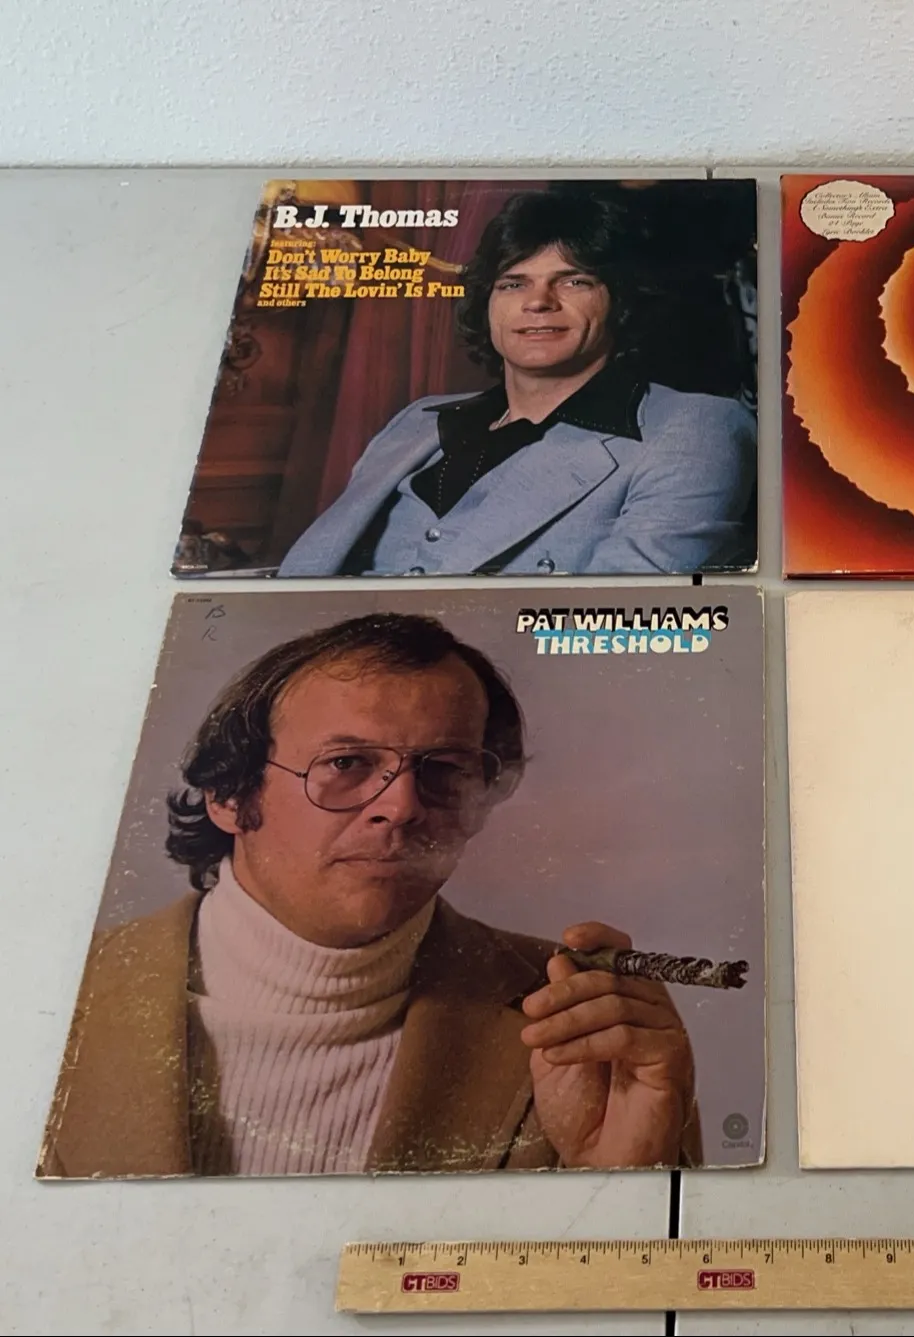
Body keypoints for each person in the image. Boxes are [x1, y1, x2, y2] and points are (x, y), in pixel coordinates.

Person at [38, 614, 699, 1178]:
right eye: (346, 763)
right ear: (229, 795)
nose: (402, 806)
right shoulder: (48, 997)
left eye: (444, 769)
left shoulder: (586, 1023)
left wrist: (618, 1176)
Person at [277, 190, 756, 577]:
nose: (538, 302)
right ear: (487, 304)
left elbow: (621, 619)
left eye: (574, 281)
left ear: (622, 302)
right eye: (513, 283)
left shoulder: (695, 428)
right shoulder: (418, 419)